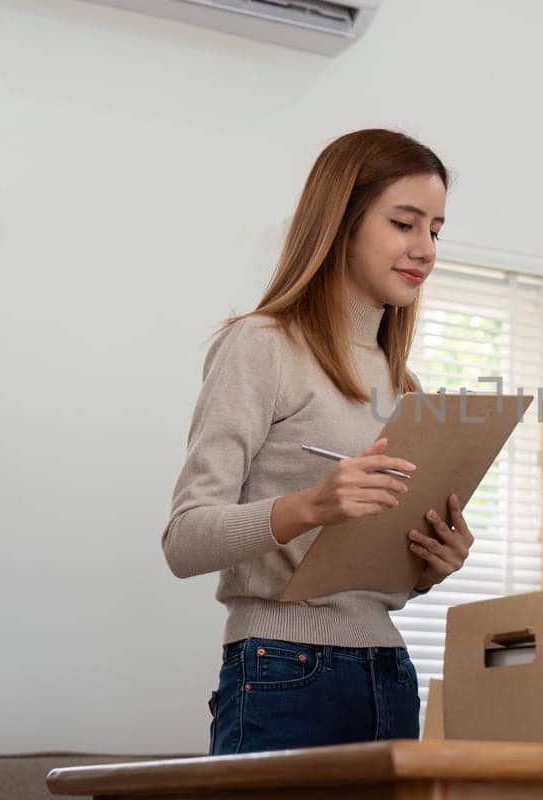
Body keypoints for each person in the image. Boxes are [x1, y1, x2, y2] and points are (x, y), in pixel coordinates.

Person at [162, 129, 472, 754]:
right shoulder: (262, 345)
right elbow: (185, 539)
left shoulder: (402, 382)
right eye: (404, 224)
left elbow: (360, 566)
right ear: (343, 222)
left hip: (387, 672)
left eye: (435, 230)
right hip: (282, 670)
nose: (424, 249)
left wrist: (431, 565)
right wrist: (312, 505)